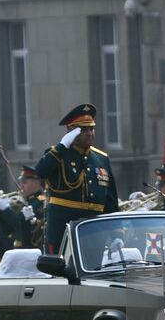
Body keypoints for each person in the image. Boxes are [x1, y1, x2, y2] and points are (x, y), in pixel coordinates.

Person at [33, 103, 119, 253]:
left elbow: (110, 201)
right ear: (71, 132)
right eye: (83, 130)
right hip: (63, 228)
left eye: (91, 129)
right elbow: (41, 171)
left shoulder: (101, 159)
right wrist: (62, 146)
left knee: (92, 273)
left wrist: (117, 234)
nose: (89, 133)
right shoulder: (58, 154)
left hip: (94, 229)